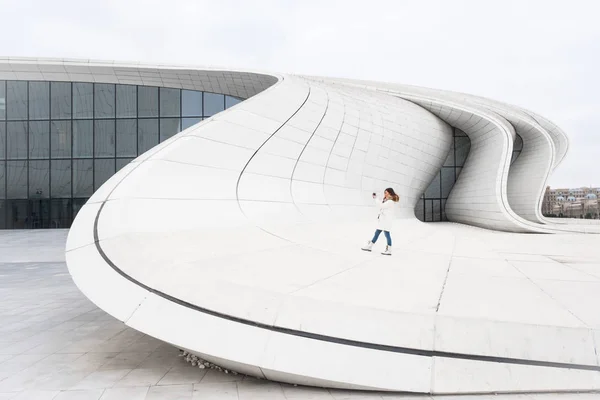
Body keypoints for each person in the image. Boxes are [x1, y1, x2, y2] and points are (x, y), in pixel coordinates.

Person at [361, 188, 399, 255]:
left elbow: (381, 206)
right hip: (383, 221)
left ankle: (389, 250)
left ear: (390, 193)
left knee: (387, 234)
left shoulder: (390, 202)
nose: (385, 194)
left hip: (386, 221)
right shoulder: (386, 200)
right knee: (377, 233)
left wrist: (376, 199)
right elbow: (381, 206)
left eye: (386, 192)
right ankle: (370, 246)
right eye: (384, 192)